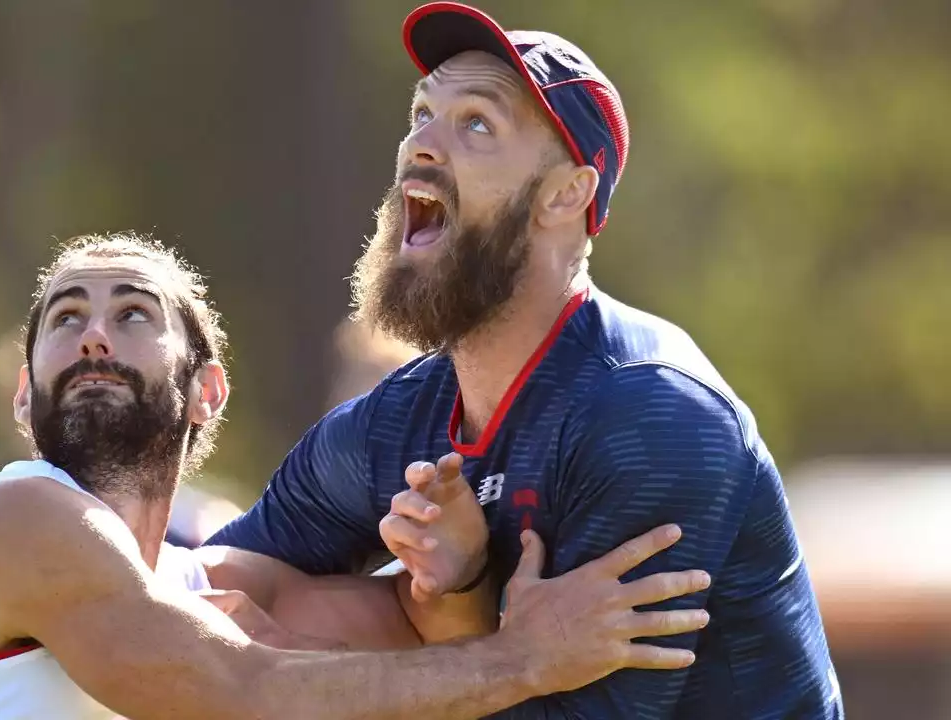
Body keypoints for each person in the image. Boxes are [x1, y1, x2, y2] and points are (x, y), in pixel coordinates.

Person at [201, 2, 842, 718]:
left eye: (476, 122)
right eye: (421, 114)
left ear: (567, 193)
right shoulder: (396, 422)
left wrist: (299, 669)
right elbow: (209, 587)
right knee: (304, 608)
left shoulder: (653, 415)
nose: (423, 145)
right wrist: (63, 565)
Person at [0, 232, 711, 719]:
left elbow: (417, 649)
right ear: (25, 396)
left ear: (208, 392)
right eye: (66, 318)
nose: (94, 334)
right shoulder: (18, 517)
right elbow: (237, 691)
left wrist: (458, 575)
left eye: (133, 314)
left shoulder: (214, 588)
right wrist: (529, 660)